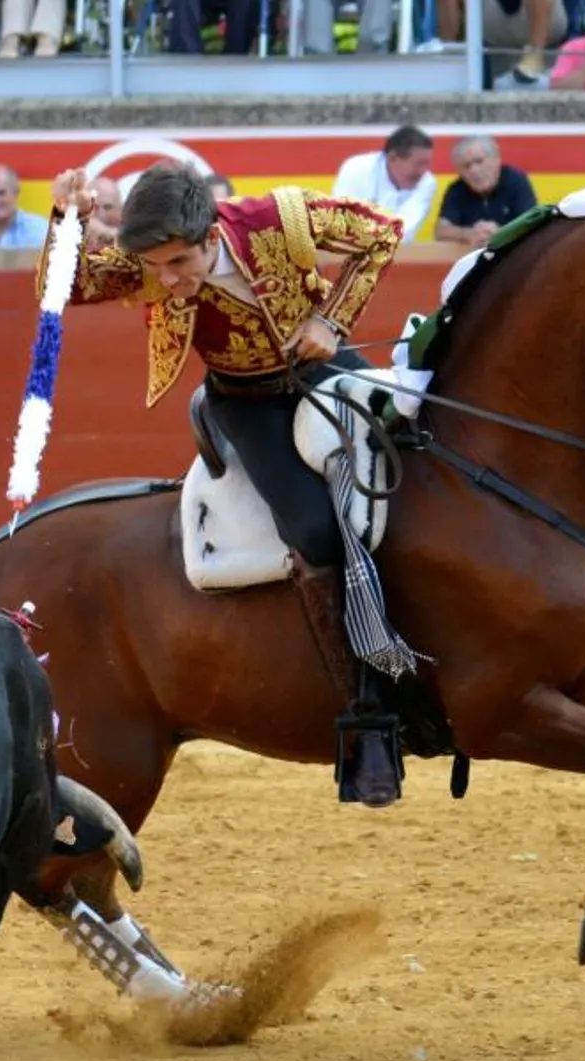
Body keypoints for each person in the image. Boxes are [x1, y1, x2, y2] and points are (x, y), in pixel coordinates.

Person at [41, 162, 407, 807]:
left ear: (212, 235)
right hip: (247, 402)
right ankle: (364, 713)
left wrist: (332, 321)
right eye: (158, 267)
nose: (169, 282)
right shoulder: (151, 263)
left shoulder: (282, 219)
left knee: (419, 468)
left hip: (326, 369)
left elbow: (382, 232)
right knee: (315, 531)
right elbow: (62, 285)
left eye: (180, 262)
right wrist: (66, 219)